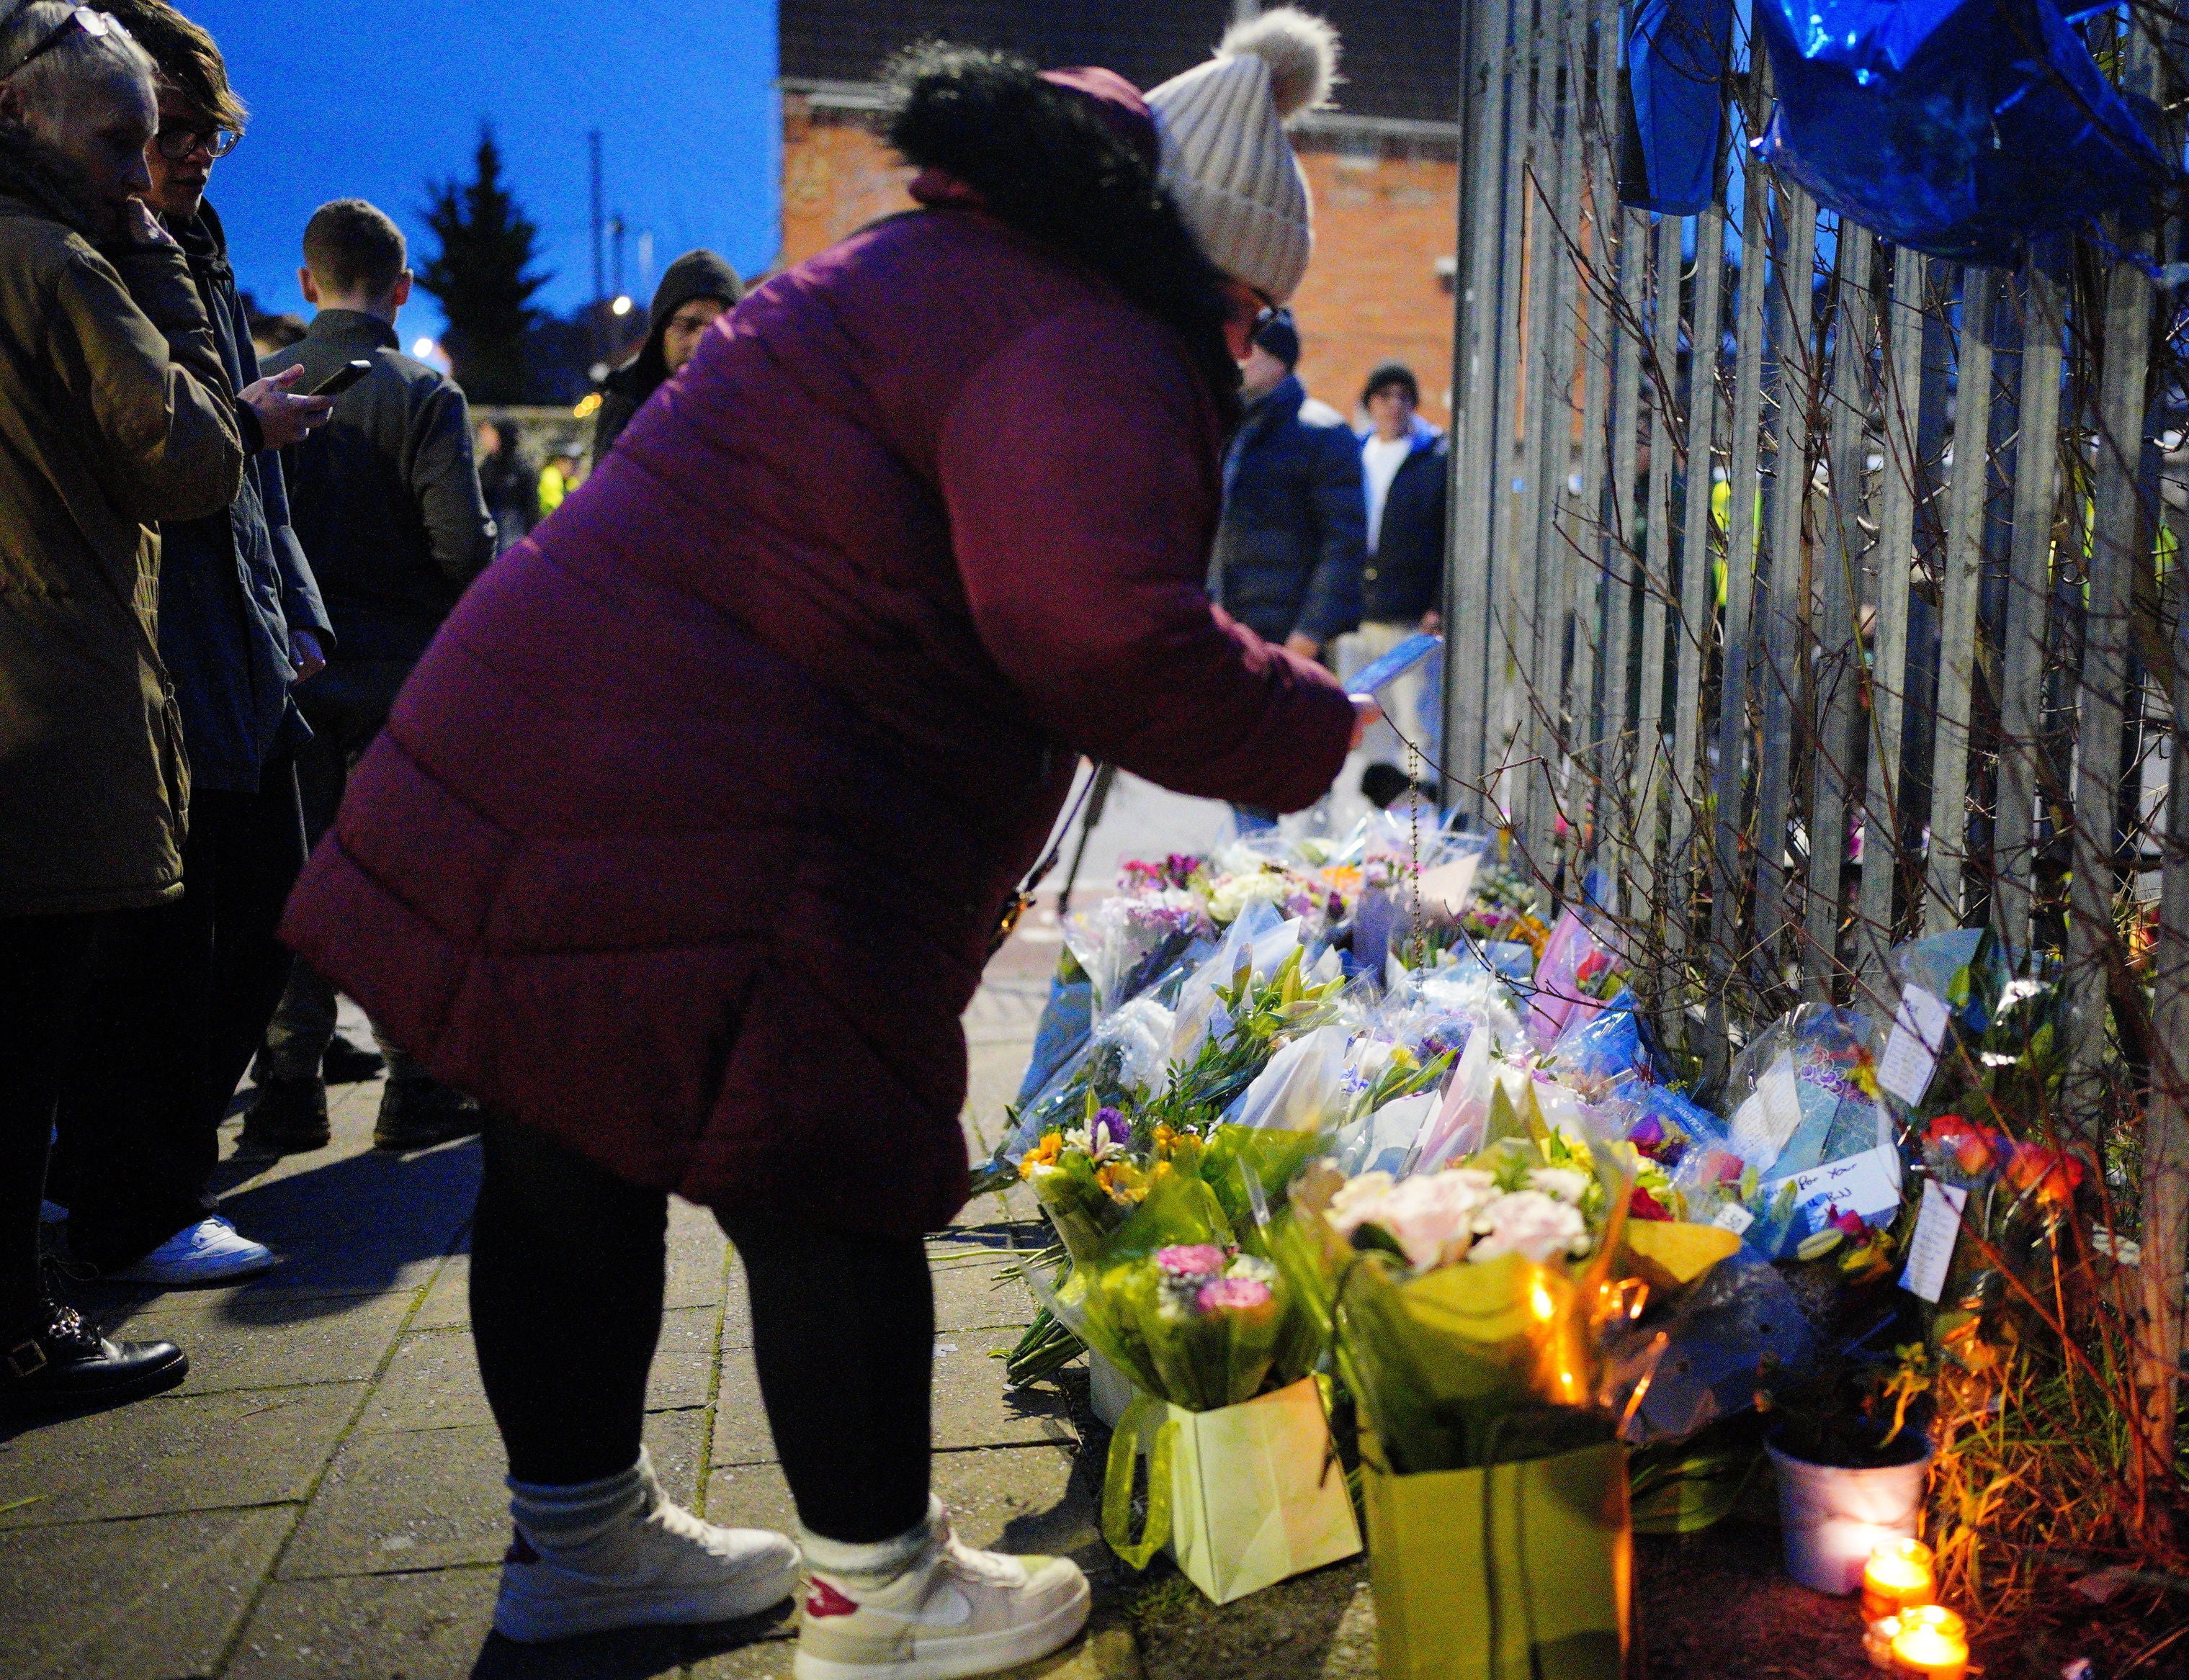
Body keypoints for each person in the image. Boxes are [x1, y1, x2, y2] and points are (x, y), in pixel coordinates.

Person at [283, 14, 1356, 1675]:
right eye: (1246, 307)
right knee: (824, 1167)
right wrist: (1313, 726)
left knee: (566, 1139)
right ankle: (881, 1592)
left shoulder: (934, 256)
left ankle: (581, 1548)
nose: (1241, 341)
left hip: (561, 743)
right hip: (737, 805)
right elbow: (1091, 624)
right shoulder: (1086, 326)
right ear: (1196, 265)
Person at [51, 0, 336, 1288]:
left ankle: (133, 1169)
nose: (184, 158)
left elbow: (233, 459)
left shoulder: (190, 240)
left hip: (241, 626)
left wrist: (300, 612)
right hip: (159, 631)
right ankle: (132, 1186)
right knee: (172, 933)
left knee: (268, 905)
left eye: (204, 135)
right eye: (161, 134)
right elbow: (169, 438)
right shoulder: (88, 246)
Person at [0, 1, 246, 1406]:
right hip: (53, 704)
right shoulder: (61, 265)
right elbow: (188, 459)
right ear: (20, 113)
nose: (141, 176)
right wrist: (161, 280)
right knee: (27, 1038)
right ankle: (24, 1329)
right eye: (121, 140)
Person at [243, 198, 496, 1156]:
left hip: (290, 672)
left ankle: (287, 1087)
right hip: (402, 675)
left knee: (297, 878)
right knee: (396, 881)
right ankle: (414, 1083)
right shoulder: (425, 396)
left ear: (308, 282)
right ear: (402, 288)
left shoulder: (256, 384)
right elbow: (463, 544)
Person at [1209, 305, 1364, 670]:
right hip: (1224, 627)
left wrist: (1311, 631)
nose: (1239, 358)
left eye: (1253, 349)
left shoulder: (1323, 433)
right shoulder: (1229, 424)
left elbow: (1344, 540)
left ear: (1280, 360)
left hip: (1284, 636)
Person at [1344, 361, 1447, 796]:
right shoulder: (1353, 454)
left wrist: (1438, 604)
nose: (1394, 406)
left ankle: (1421, 822)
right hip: (1355, 614)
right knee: (1362, 726)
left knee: (1416, 720)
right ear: (1370, 403)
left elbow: (1447, 538)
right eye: (1384, 397)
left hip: (1409, 615)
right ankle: (1366, 821)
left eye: (1404, 397)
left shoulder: (1432, 460)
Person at [587, 248, 740, 469]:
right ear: (661, 334)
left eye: (716, 329)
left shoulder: (756, 406)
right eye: (686, 326)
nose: (698, 344)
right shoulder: (627, 405)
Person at [476, 416, 536, 548]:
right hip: (493, 535)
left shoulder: (521, 467)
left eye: (489, 434)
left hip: (514, 537)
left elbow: (531, 508)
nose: (485, 439)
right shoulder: (487, 466)